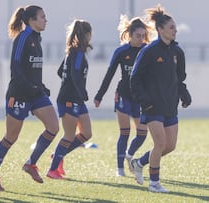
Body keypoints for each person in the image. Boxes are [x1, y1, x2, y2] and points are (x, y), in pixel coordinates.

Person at [0, 5, 59, 191]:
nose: (45, 20)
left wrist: (40, 86)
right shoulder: (23, 38)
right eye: (42, 17)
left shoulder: (37, 39)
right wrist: (30, 87)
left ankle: (31, 163)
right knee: (11, 137)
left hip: (35, 94)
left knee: (53, 127)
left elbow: (32, 69)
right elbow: (16, 68)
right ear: (32, 20)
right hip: (19, 94)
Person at [129, 4, 191, 193]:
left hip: (170, 105)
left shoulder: (177, 52)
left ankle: (139, 163)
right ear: (160, 29)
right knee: (160, 143)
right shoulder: (149, 51)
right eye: (171, 27)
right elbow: (135, 78)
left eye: (175, 27)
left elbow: (180, 78)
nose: (175, 30)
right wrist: (144, 101)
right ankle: (154, 183)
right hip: (152, 106)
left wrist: (184, 92)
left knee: (170, 146)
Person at [94, 15, 152, 177]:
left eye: (143, 36)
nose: (141, 39)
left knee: (142, 133)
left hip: (139, 98)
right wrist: (99, 95)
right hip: (123, 95)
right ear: (130, 35)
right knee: (124, 131)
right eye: (138, 36)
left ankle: (129, 154)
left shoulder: (147, 50)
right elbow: (109, 74)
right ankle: (120, 169)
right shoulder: (121, 51)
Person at [47, 20, 93, 179]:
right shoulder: (78, 53)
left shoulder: (72, 52)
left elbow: (61, 72)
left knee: (86, 133)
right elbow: (74, 73)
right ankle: (52, 170)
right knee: (69, 135)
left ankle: (57, 155)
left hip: (76, 98)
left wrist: (76, 90)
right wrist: (81, 91)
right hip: (70, 98)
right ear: (87, 34)